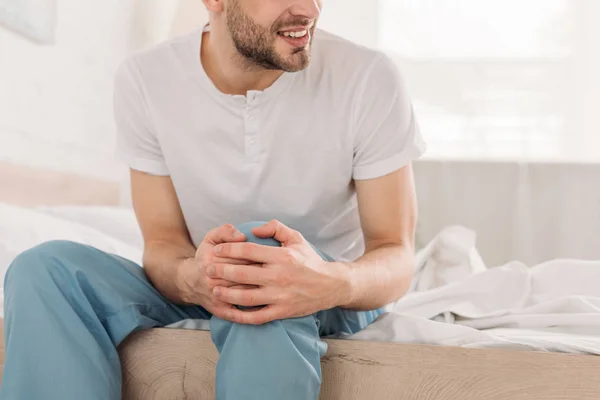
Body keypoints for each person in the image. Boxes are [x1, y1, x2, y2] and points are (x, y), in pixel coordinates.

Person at [0, 0, 426, 399]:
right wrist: (194, 280)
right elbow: (164, 243)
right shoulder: (147, 80)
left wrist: (332, 282)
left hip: (333, 289)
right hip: (207, 281)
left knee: (255, 258)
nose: (310, 10)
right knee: (43, 270)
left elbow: (396, 255)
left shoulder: (367, 76)